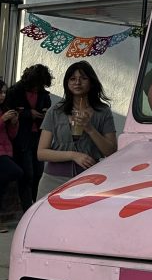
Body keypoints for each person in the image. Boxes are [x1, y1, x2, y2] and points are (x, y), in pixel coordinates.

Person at [37, 62, 117, 199]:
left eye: (83, 78)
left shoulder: (103, 112)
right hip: (53, 180)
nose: (77, 83)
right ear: (67, 83)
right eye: (72, 79)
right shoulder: (55, 111)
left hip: (89, 180)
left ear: (91, 82)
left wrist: (90, 128)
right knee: (48, 220)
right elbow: (41, 153)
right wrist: (73, 155)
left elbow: (111, 151)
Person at [6, 63, 52, 204]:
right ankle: (27, 208)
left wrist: (45, 113)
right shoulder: (15, 91)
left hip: (38, 136)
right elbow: (8, 111)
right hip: (21, 137)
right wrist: (27, 113)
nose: (38, 88)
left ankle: (37, 204)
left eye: (41, 85)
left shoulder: (43, 93)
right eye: (36, 85)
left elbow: (49, 109)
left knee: (39, 173)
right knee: (27, 175)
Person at [0, 78, 30, 224]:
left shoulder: (4, 109)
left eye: (4, 92)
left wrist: (14, 123)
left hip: (7, 151)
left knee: (8, 182)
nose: (2, 95)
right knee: (16, 172)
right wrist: (2, 119)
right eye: (0, 92)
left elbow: (11, 135)